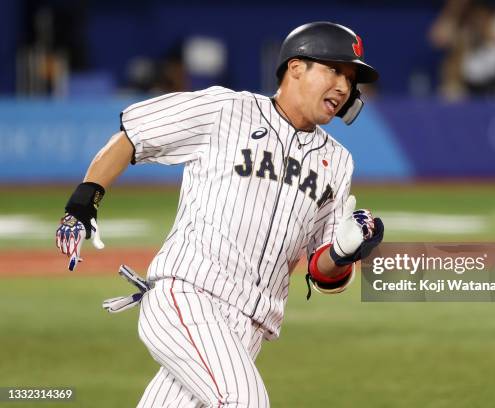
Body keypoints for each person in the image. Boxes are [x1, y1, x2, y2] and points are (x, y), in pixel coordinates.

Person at [55, 21, 384, 407]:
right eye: (335, 70)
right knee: (246, 401)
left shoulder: (338, 164)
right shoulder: (229, 110)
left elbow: (321, 273)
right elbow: (135, 135)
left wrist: (345, 252)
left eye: (351, 78)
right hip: (187, 297)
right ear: (297, 67)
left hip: (250, 328)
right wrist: (83, 200)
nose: (345, 87)